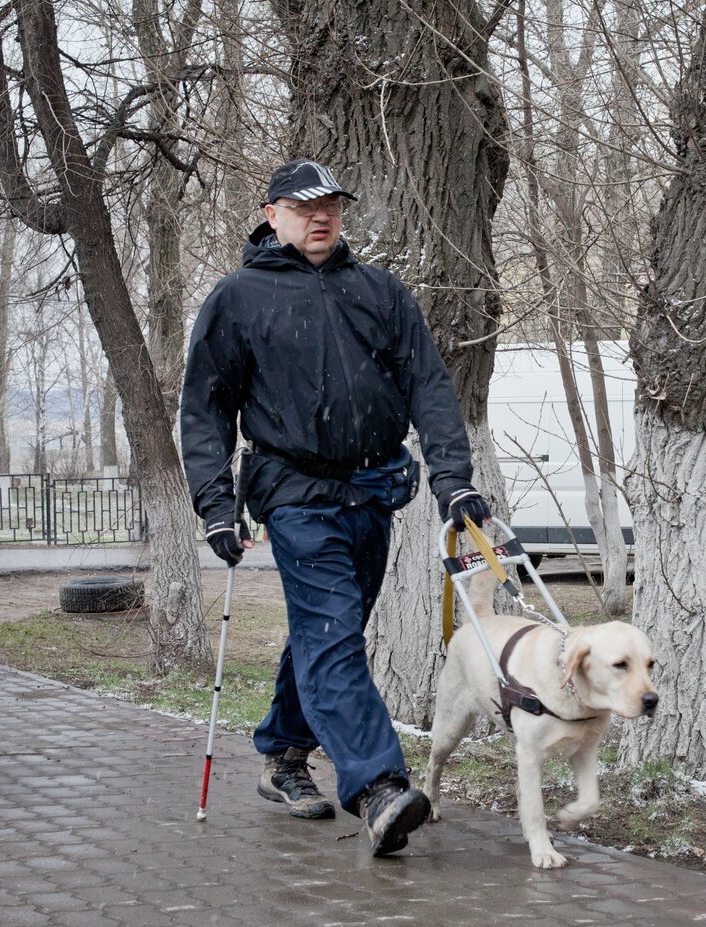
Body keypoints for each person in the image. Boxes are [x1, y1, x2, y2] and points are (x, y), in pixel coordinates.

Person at [180, 158, 492, 858]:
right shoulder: (238, 297)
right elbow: (204, 409)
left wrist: (454, 478)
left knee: (331, 631)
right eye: (303, 205)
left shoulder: (379, 291)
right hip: (293, 491)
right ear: (272, 214)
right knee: (333, 633)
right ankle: (378, 786)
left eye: (331, 205)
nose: (321, 216)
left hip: (374, 489)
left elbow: (430, 387)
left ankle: (284, 751)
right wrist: (216, 505)